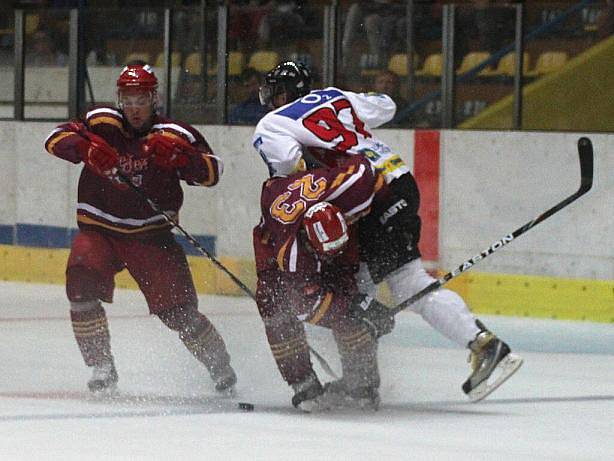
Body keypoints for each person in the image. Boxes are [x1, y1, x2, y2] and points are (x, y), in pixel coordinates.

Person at [252, 61, 523, 403]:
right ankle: (360, 382)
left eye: (274, 93)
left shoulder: (272, 122)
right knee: (362, 284)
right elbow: (386, 105)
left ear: (282, 94)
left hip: (366, 194)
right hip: (398, 179)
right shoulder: (333, 96)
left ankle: (484, 345)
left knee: (386, 285)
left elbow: (290, 171)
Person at [44, 64, 237, 394]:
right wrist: (86, 149)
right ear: (119, 99)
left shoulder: (175, 134)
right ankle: (101, 365)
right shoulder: (102, 123)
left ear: (155, 99)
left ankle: (219, 364)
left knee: (179, 313)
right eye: (128, 99)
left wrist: (183, 159)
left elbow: (212, 172)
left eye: (142, 99)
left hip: (151, 237)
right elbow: (54, 139)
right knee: (81, 283)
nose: (134, 107)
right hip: (99, 231)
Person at [253, 154, 394, 411]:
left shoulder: (348, 194)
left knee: (346, 292)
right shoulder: (291, 254)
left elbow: (367, 171)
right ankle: (304, 384)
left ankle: (362, 383)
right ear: (308, 240)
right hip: (271, 246)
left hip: (314, 210)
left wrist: (359, 304)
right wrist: (357, 307)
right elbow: (306, 307)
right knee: (276, 309)